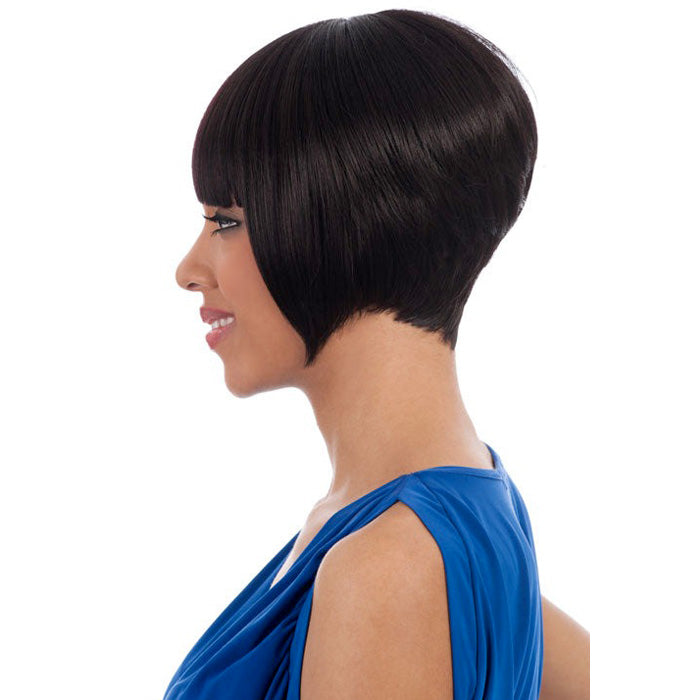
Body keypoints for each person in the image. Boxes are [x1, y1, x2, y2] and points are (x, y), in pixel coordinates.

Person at [168, 8, 589, 700]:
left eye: (227, 221)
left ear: (345, 229)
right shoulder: (476, 500)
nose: (188, 270)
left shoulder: (386, 568)